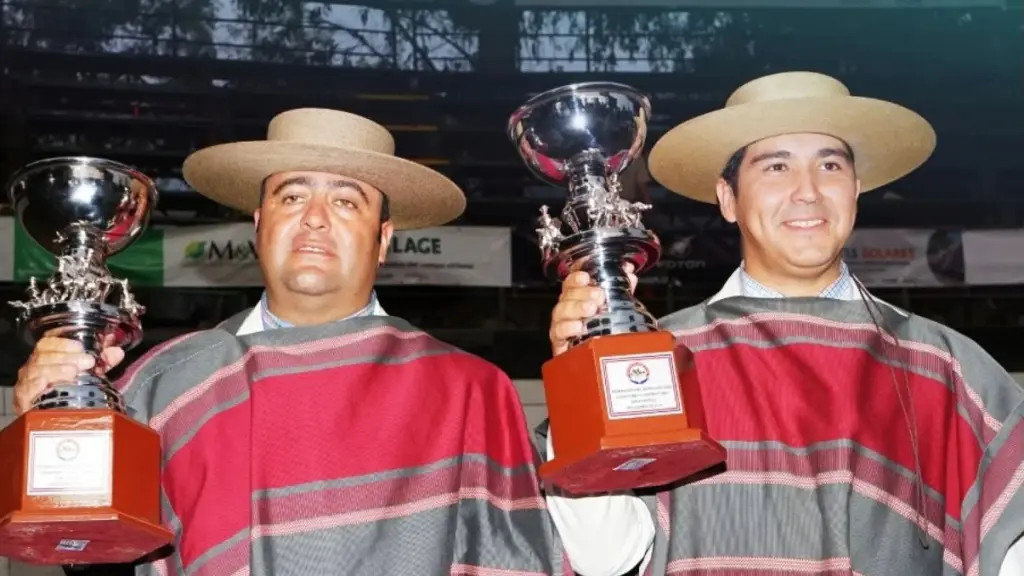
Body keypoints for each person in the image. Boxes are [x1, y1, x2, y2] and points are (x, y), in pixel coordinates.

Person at [14, 109, 570, 575]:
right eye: (291, 197)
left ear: (383, 241)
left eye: (347, 202)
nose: (315, 221)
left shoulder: (469, 391)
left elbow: (514, 559)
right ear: (258, 224)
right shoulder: (164, 384)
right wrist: (55, 433)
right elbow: (95, 561)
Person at [543, 72, 1024, 575]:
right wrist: (582, 376)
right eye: (776, 167)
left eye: (830, 165)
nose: (808, 192)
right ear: (727, 199)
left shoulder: (946, 365)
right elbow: (604, 557)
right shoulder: (655, 359)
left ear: (856, 190)